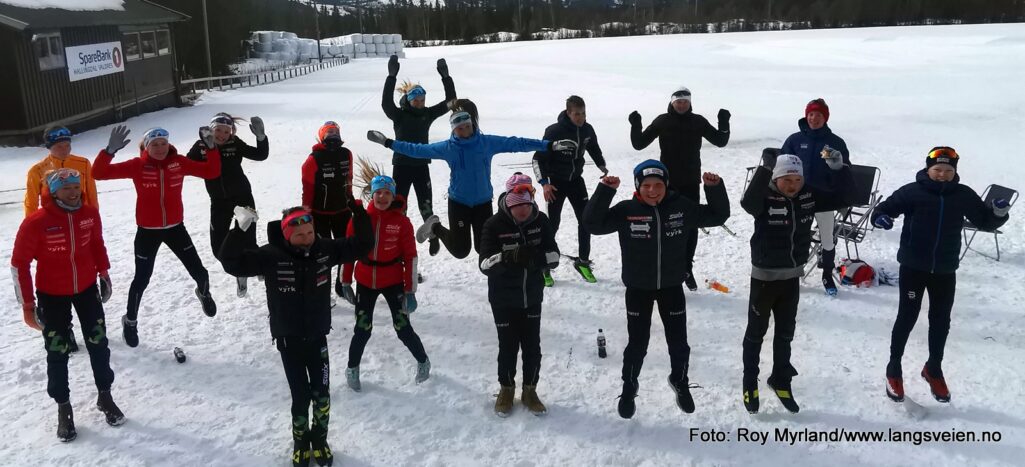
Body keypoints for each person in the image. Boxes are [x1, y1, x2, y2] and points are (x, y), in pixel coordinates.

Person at [219, 201, 374, 467]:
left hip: (318, 339)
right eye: (299, 235)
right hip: (288, 340)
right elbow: (231, 263)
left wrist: (358, 212)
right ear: (287, 234)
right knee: (301, 398)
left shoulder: (324, 250)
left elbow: (362, 245)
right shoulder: (271, 255)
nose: (307, 240)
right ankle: (301, 442)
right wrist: (238, 229)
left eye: (310, 233)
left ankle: (320, 439)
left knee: (322, 396)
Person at [583, 160, 730, 419]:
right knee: (637, 344)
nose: (653, 191)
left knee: (679, 343)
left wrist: (714, 188)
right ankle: (629, 387)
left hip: (671, 286)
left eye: (658, 185)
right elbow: (593, 225)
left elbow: (718, 216)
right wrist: (605, 191)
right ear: (638, 186)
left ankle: (679, 380)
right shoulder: (626, 210)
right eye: (647, 185)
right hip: (638, 288)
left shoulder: (681, 208)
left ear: (666, 185)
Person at [871, 147, 1010, 404]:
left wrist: (998, 213)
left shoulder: (963, 194)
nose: (942, 175)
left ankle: (933, 368)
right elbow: (884, 209)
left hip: (945, 269)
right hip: (914, 266)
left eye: (948, 171)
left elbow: (984, 222)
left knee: (941, 320)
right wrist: (880, 218)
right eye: (937, 170)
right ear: (928, 169)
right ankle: (894, 369)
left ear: (955, 171)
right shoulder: (912, 191)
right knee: (907, 316)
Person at [367, 98, 577, 260]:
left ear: (472, 124)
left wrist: (549, 145)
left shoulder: (486, 143)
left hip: (483, 202)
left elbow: (517, 143)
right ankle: (434, 227)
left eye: (467, 126)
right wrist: (388, 142)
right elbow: (417, 149)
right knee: (460, 251)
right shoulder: (448, 148)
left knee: (482, 247)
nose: (465, 131)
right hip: (458, 202)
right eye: (459, 128)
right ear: (453, 129)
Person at [11, 168, 124, 442]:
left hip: (86, 290)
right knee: (57, 351)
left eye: (76, 187)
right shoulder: (36, 222)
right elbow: (19, 265)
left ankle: (105, 396)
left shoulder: (89, 214)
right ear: (52, 191)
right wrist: (28, 304)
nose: (73, 193)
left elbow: (97, 243)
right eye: (66, 189)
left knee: (98, 343)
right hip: (52, 296)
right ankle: (63, 407)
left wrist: (104, 273)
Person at [739, 149, 853, 414]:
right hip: (764, 279)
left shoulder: (808, 195)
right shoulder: (764, 196)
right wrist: (765, 170)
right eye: (786, 180)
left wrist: (840, 169)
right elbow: (748, 204)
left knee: (785, 333)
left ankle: (781, 379)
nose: (792, 185)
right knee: (756, 334)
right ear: (775, 179)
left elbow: (846, 197)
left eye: (797, 180)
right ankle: (749, 383)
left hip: (792, 277)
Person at [92, 125, 221, 348]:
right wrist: (109, 151)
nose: (160, 148)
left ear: (168, 144)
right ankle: (130, 321)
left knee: (200, 272)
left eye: (163, 143)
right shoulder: (137, 166)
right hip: (147, 232)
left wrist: (211, 148)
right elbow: (99, 174)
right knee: (141, 280)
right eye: (155, 144)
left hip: (175, 229)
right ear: (147, 146)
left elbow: (212, 171)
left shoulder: (179, 162)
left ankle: (203, 292)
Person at [628, 87, 731, 291]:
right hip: (666, 184)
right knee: (665, 224)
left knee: (691, 226)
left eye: (685, 101)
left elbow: (720, 141)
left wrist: (724, 121)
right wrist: (635, 125)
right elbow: (639, 144)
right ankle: (666, 267)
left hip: (691, 181)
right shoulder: (662, 121)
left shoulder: (698, 121)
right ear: (672, 103)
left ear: (690, 103)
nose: (682, 104)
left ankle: (686, 269)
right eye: (678, 101)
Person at [337, 175, 430, 392]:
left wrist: (410, 290)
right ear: (372, 193)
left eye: (387, 193)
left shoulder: (402, 222)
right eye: (378, 192)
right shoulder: (359, 219)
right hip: (365, 280)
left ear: (393, 195)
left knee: (402, 327)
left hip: (393, 280)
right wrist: (344, 281)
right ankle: (352, 368)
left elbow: (411, 257)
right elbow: (348, 251)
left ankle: (423, 361)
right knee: (362, 328)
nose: (382, 197)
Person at [478, 173, 560, 417]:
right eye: (517, 206)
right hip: (503, 299)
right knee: (508, 346)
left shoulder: (541, 221)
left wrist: (537, 259)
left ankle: (530, 390)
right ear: (508, 204)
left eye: (526, 204)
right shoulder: (493, 225)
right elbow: (484, 265)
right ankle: (506, 389)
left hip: (532, 296)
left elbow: (554, 257)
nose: (523, 210)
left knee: (532, 346)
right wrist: (508, 258)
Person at [24, 125, 101, 352]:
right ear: (49, 147)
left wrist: (94, 227)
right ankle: (64, 327)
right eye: (59, 146)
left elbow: (91, 197)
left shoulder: (83, 164)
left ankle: (91, 324)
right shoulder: (37, 170)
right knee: (58, 281)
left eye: (68, 144)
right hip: (53, 233)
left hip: (81, 229)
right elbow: (30, 204)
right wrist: (34, 236)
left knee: (84, 274)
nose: (65, 149)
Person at [381, 55, 457, 256]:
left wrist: (446, 77)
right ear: (408, 99)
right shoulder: (399, 114)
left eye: (423, 100)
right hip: (402, 166)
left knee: (426, 205)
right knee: (399, 206)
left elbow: (451, 102)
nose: (421, 103)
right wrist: (391, 76)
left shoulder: (427, 114)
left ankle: (432, 236)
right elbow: (386, 104)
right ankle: (398, 243)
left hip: (421, 166)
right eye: (416, 100)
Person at [187, 112, 268, 298]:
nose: (222, 135)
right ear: (211, 129)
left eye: (227, 131)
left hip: (243, 198)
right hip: (219, 202)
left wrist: (261, 138)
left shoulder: (235, 142)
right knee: (218, 248)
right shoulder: (200, 145)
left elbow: (260, 155)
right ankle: (239, 271)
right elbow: (187, 166)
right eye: (218, 130)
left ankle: (253, 268)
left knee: (249, 241)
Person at [532, 95, 607, 286]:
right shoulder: (554, 131)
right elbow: (538, 158)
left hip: (575, 181)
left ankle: (582, 262)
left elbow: (594, 147)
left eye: (583, 113)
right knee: (552, 225)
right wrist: (544, 183)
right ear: (568, 112)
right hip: (556, 182)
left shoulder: (587, 129)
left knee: (586, 221)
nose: (580, 118)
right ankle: (544, 266)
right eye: (576, 114)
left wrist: (601, 165)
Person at [780, 98, 852, 296]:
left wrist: (837, 167)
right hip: (798, 197)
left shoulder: (835, 142)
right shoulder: (794, 140)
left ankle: (827, 275)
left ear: (825, 118)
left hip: (824, 198)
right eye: (811, 114)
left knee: (827, 239)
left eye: (818, 115)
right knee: (796, 235)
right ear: (806, 115)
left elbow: (846, 172)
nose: (814, 118)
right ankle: (793, 272)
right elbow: (781, 165)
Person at [302, 121, 354, 241]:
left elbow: (349, 179)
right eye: (330, 131)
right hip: (320, 213)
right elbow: (308, 188)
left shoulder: (346, 154)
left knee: (345, 247)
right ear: (322, 136)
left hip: (342, 210)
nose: (334, 134)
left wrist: (350, 200)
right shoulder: (313, 159)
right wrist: (306, 213)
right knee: (324, 252)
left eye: (337, 132)